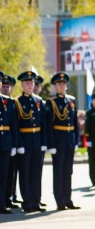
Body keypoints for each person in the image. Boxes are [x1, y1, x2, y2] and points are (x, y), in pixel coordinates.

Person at [46, 73, 80, 210]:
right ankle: (60, 200)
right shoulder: (51, 102)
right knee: (59, 171)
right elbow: (49, 125)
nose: (61, 86)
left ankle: (68, 199)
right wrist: (51, 144)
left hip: (69, 140)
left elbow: (75, 122)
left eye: (63, 84)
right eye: (59, 84)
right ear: (55, 86)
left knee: (68, 171)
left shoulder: (71, 100)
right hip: (58, 141)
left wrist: (76, 140)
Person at [15, 71, 47, 213]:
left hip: (37, 142)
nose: (29, 85)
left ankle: (36, 200)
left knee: (36, 172)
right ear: (22, 85)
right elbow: (16, 126)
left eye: (32, 83)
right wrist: (19, 144)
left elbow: (44, 124)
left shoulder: (39, 101)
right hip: (25, 141)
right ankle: (27, 201)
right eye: (27, 83)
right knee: (25, 172)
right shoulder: (17, 102)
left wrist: (44, 142)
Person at [0, 73, 18, 214]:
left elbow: (14, 125)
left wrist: (14, 144)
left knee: (3, 174)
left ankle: (2, 203)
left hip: (5, 142)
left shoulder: (8, 102)